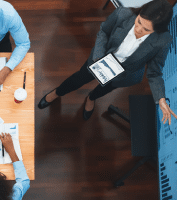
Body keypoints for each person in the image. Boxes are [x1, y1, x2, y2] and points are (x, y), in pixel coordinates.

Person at [38, 0, 177, 123]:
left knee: (106, 88)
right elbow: (104, 31)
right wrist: (98, 56)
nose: (138, 30)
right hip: (102, 57)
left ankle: (91, 98)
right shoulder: (122, 14)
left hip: (125, 72)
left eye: (146, 30)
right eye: (139, 21)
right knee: (80, 78)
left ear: (157, 31)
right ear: (139, 13)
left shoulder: (163, 41)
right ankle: (58, 92)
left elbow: (154, 72)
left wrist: (161, 98)